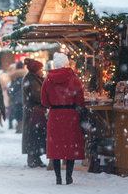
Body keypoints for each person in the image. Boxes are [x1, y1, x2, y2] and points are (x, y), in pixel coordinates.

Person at [41, 52, 85, 185]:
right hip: (70, 115)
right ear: (66, 64)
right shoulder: (74, 79)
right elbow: (80, 101)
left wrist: (54, 104)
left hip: (54, 115)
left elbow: (44, 101)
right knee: (69, 147)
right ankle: (69, 176)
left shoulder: (47, 80)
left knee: (55, 148)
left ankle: (58, 177)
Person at [22, 58, 47, 168]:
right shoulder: (32, 80)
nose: (42, 71)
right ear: (35, 70)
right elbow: (38, 96)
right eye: (41, 69)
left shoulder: (34, 78)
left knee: (34, 135)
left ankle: (35, 157)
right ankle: (33, 158)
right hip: (33, 111)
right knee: (34, 135)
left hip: (32, 111)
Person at [7, 61, 27, 132]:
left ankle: (19, 127)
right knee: (23, 114)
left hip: (16, 99)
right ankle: (21, 127)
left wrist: (10, 94)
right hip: (25, 99)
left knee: (18, 114)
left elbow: (11, 88)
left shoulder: (14, 77)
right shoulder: (26, 76)